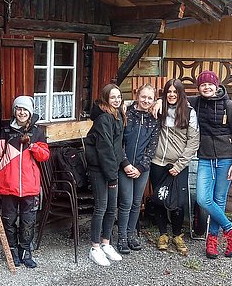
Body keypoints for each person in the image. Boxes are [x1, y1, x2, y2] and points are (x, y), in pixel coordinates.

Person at [191, 70, 232, 259]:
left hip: (225, 159)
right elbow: (175, 98)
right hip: (205, 158)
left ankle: (212, 240)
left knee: (219, 199)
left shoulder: (228, 105)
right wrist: (159, 101)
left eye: (210, 84)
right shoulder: (195, 103)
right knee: (203, 198)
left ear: (216, 85)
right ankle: (231, 230)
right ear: (199, 88)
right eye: (203, 85)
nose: (206, 87)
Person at [0, 96, 50, 268]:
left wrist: (32, 145)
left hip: (30, 185)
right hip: (8, 184)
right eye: (19, 109)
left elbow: (45, 156)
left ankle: (26, 251)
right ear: (14, 111)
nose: (22, 112)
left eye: (25, 110)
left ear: (30, 112)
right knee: (9, 219)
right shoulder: (5, 130)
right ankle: (12, 250)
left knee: (28, 221)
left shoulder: (37, 131)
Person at [150, 79, 199, 255]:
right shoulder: (159, 109)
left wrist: (179, 165)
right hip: (157, 162)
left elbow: (193, 142)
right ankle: (163, 234)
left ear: (180, 93)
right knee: (159, 198)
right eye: (168, 91)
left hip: (178, 164)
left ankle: (177, 234)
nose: (171, 95)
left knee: (178, 201)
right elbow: (138, 104)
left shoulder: (189, 112)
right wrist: (156, 101)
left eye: (175, 92)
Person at [85, 84, 128, 266]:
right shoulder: (103, 119)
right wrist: (112, 176)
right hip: (99, 169)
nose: (116, 100)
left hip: (111, 169)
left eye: (119, 97)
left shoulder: (117, 116)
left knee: (112, 208)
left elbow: (117, 147)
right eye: (113, 97)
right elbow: (105, 149)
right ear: (105, 99)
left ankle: (106, 243)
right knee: (101, 207)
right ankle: (95, 247)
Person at [116, 83, 160, 254]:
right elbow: (119, 142)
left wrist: (141, 168)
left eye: (150, 98)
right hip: (124, 166)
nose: (146, 100)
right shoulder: (126, 114)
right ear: (137, 95)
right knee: (125, 202)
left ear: (154, 100)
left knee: (136, 202)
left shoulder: (154, 118)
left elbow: (152, 145)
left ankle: (130, 234)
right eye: (143, 96)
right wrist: (125, 164)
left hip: (143, 168)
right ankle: (122, 238)